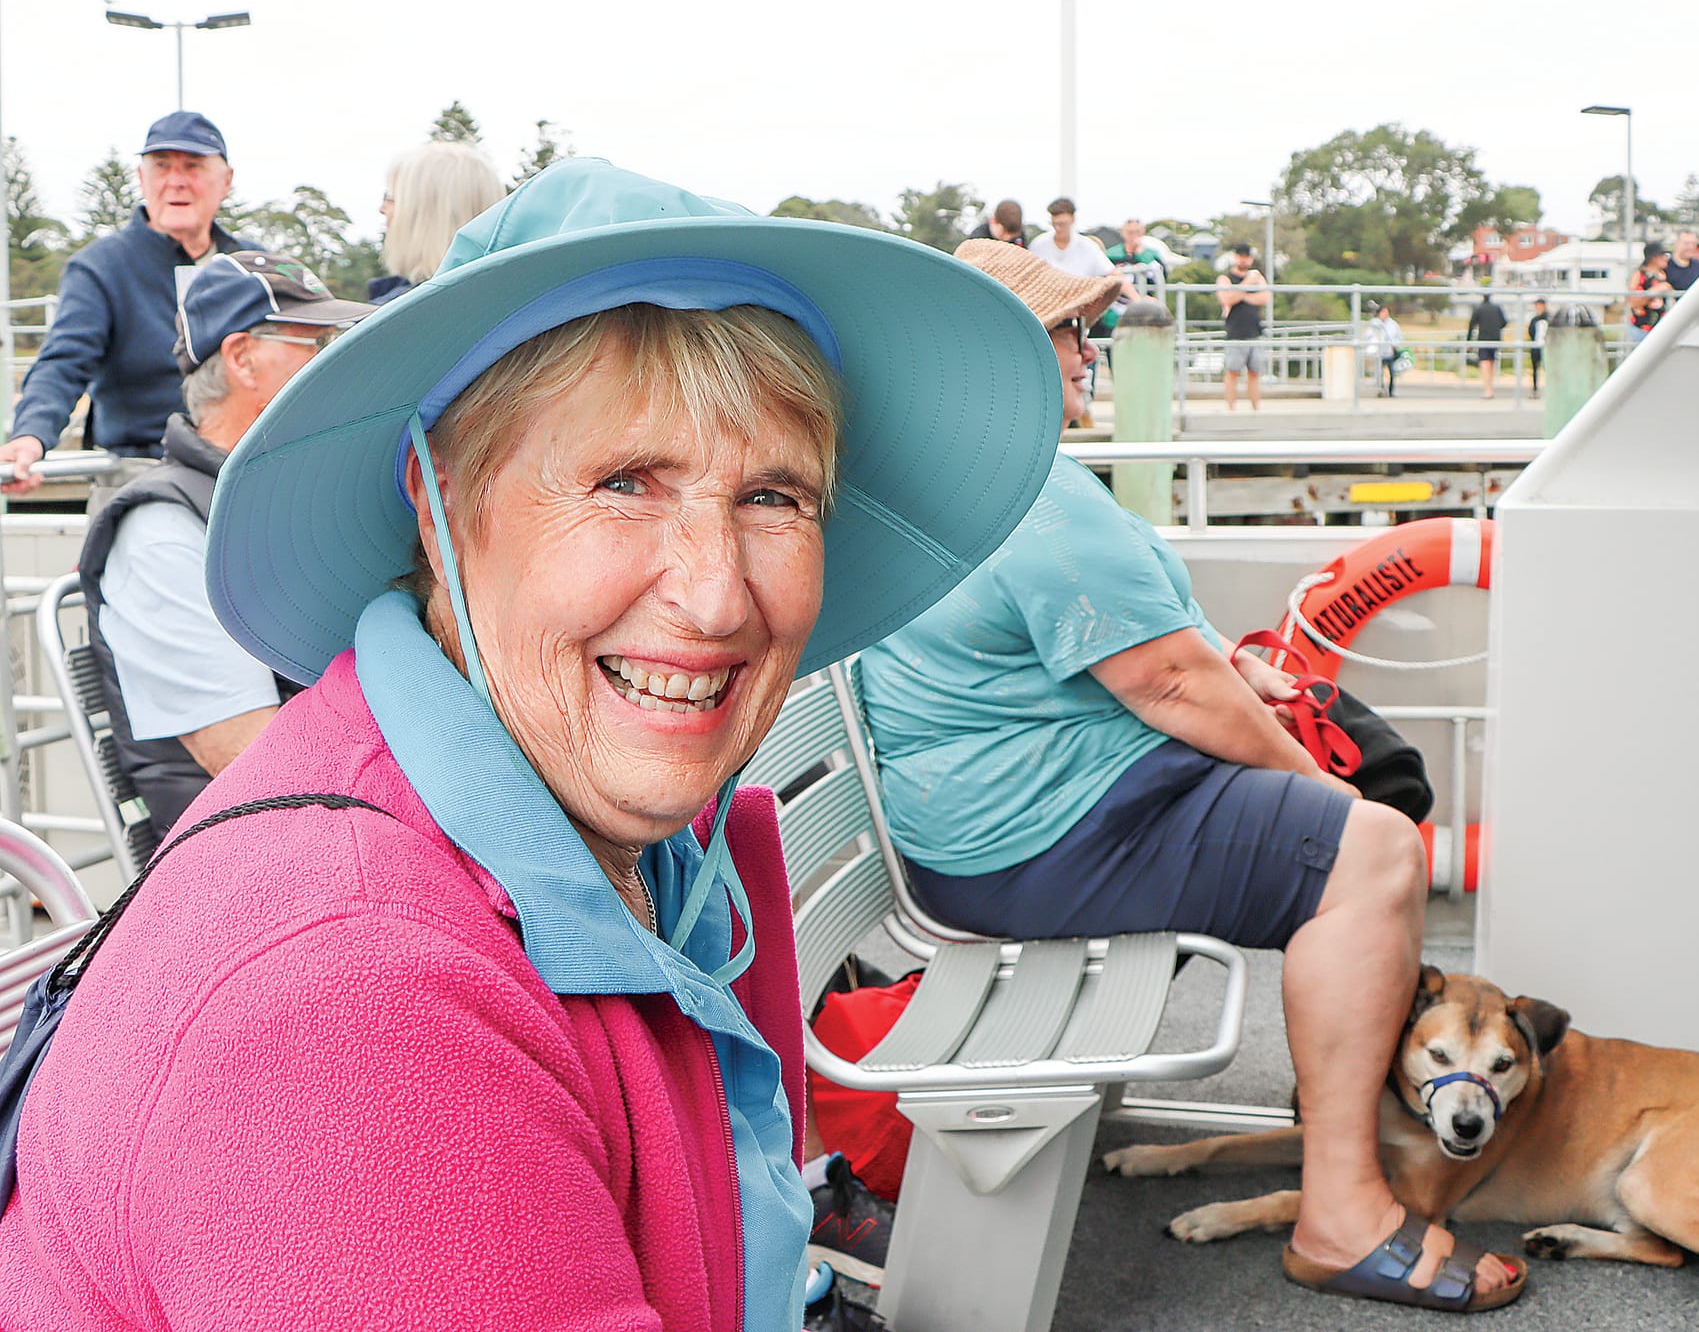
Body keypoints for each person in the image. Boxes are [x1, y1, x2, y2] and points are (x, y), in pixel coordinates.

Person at [0, 159, 1064, 1332]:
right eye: (625, 481)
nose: (716, 596)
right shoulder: (356, 1013)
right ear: (440, 502)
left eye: (774, 496)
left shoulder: (616, 828)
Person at [855, 239, 1527, 1315]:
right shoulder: (1027, 495)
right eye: (1071, 331)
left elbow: (1150, 644)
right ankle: (1341, 1213)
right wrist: (1319, 790)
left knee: (1369, 813)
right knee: (1373, 845)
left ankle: (1348, 1113)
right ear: (999, 357)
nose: (1090, 351)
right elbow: (1167, 682)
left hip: (1003, 820)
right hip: (1038, 838)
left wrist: (1239, 670)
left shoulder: (948, 475)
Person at [78, 251, 374, 837]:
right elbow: (256, 766)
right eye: (316, 342)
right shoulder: (160, 530)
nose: (338, 359)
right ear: (242, 358)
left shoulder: (283, 500)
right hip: (264, 854)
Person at [0, 112, 250, 496]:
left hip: (243, 471)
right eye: (162, 166)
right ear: (141, 178)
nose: (176, 181)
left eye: (193, 166)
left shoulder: (253, 266)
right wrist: (30, 435)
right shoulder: (101, 267)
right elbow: (64, 362)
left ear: (226, 180)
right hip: (140, 473)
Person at [1029, 198, 1133, 427]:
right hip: (1048, 321)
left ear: (1072, 220)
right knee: (1062, 366)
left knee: (1082, 365)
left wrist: (1137, 300)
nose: (1059, 228)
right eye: (1055, 223)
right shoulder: (1040, 245)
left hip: (1077, 320)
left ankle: (1082, 408)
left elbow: (1113, 275)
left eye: (1063, 223)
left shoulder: (1087, 247)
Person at [371, 141, 508, 304]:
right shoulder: (515, 302)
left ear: (425, 215)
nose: (382, 209)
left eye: (389, 198)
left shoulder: (401, 314)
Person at [1217, 242, 1271, 411]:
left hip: (1254, 332)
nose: (1244, 260)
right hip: (1235, 332)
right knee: (1232, 373)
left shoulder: (1258, 278)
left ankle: (1256, 409)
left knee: (1255, 373)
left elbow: (1265, 298)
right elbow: (1226, 299)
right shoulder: (1226, 278)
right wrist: (1247, 284)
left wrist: (1241, 296)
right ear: (1235, 257)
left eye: (1247, 257)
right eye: (1241, 256)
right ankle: (1231, 409)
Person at [1107, 217, 1167, 299]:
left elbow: (1162, 276)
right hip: (1117, 299)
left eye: (1137, 232)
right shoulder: (1111, 253)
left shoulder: (1152, 254)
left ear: (1143, 232)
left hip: (1144, 298)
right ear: (1122, 233)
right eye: (1130, 232)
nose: (1134, 236)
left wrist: (1142, 255)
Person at [1627, 241, 1673, 347]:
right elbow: (1632, 302)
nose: (1666, 258)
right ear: (1654, 258)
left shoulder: (1663, 275)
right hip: (1642, 329)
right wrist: (1654, 291)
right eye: (1663, 255)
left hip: (1660, 329)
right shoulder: (1639, 274)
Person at [1465, 293, 1506, 400]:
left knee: (1484, 363)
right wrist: (1495, 327)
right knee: (1491, 363)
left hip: (1483, 339)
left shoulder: (1479, 308)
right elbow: (1504, 322)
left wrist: (1468, 342)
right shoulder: (1497, 308)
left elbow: (1471, 325)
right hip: (1495, 338)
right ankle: (1490, 388)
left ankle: (1487, 389)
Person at [1364, 301, 1406, 397]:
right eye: (1382, 312)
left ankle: (1391, 391)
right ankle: (1381, 390)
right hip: (1378, 353)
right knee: (1379, 373)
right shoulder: (1374, 323)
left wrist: (1395, 345)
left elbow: (1399, 336)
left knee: (1392, 373)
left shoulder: (1393, 324)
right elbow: (1368, 336)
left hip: (1390, 352)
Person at [1663, 228, 1699, 294]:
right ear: (1676, 244)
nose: (1691, 247)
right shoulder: (1665, 266)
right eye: (1686, 243)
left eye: (1693, 243)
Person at [1525, 297, 1549, 396]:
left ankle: (1549, 387)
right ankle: (1535, 388)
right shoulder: (1534, 319)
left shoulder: (1549, 318)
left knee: (1547, 367)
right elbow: (1530, 331)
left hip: (1546, 346)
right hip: (1536, 345)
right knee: (1535, 368)